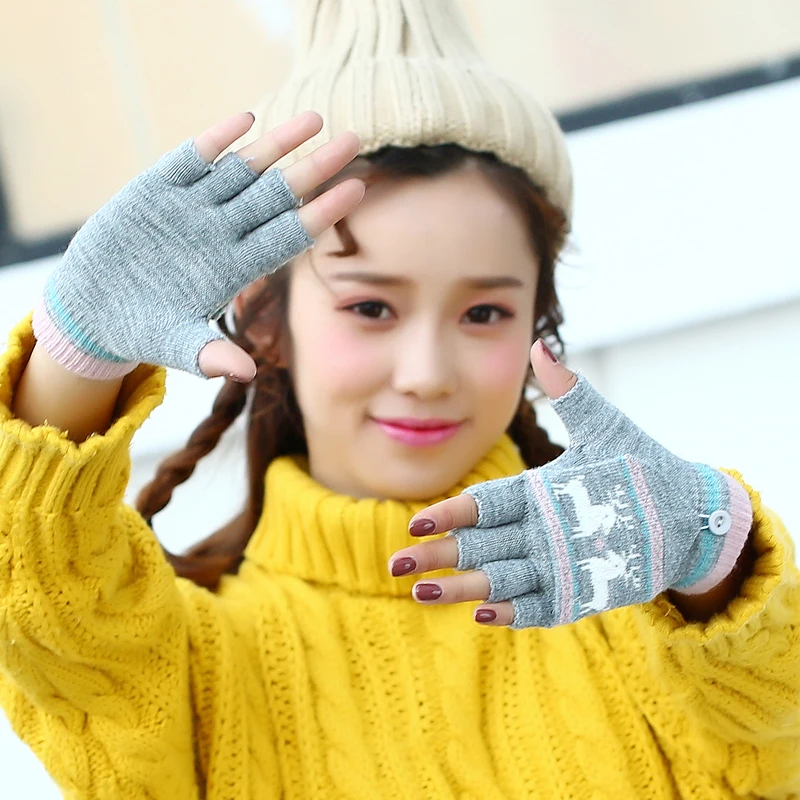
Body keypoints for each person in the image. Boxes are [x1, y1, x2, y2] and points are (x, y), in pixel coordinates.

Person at [1, 0, 798, 797]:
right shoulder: (188, 667)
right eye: (371, 307)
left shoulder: (652, 621)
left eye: (483, 314)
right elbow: (48, 605)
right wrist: (76, 351)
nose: (426, 373)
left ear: (537, 319)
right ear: (264, 319)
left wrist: (712, 558)